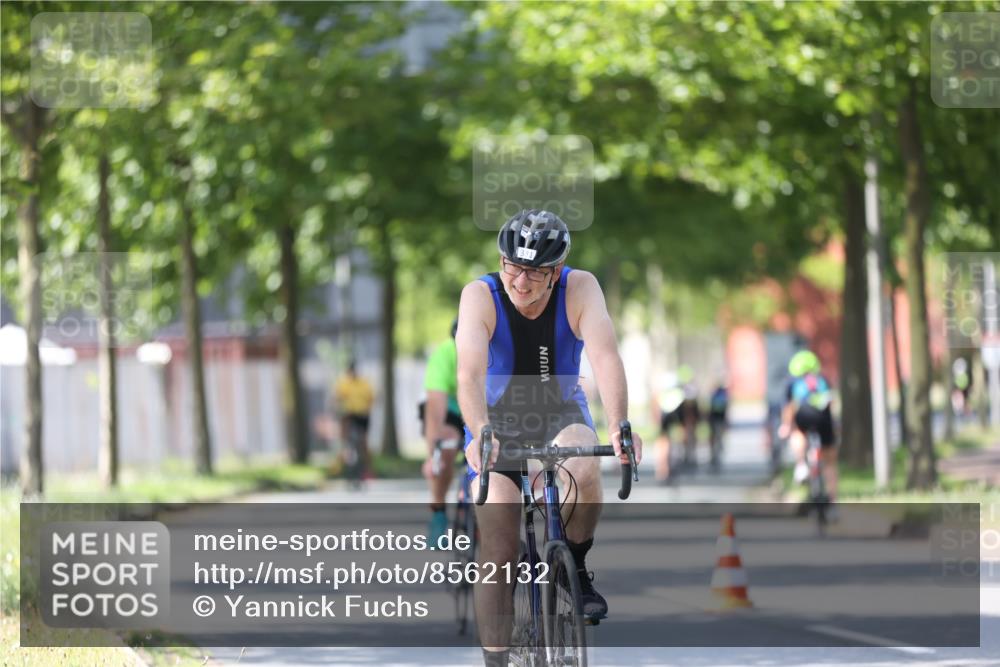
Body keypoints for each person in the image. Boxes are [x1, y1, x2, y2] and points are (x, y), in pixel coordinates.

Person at [456, 209, 643, 666]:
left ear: (556, 272)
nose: (521, 282)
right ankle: (497, 660)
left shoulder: (581, 288)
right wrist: (480, 431)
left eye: (536, 272)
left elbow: (605, 355)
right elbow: (469, 372)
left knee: (583, 461)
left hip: (558, 412)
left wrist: (620, 423)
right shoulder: (480, 296)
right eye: (513, 268)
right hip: (495, 422)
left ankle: (574, 565)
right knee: (498, 548)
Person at [419, 318, 465, 543]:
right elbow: (435, 411)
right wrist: (432, 456)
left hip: (486, 407)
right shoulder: (443, 356)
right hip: (452, 410)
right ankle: (438, 510)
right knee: (445, 447)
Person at [778, 350, 837, 502]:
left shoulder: (792, 382)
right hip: (824, 418)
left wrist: (786, 426)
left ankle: (801, 465)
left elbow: (788, 407)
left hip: (804, 415)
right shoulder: (822, 379)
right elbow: (831, 402)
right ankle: (833, 501)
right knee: (829, 462)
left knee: (797, 432)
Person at [333, 360, 374, 479]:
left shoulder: (364, 383)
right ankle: (342, 459)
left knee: (364, 442)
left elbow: (371, 398)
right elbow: (337, 398)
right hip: (349, 414)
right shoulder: (344, 383)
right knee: (344, 436)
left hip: (362, 415)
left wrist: (367, 407)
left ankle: (367, 468)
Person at [707, 379, 729, 472]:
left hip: (715, 419)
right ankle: (716, 454)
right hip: (717, 419)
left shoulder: (716, 395)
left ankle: (715, 454)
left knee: (715, 438)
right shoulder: (722, 395)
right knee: (717, 437)